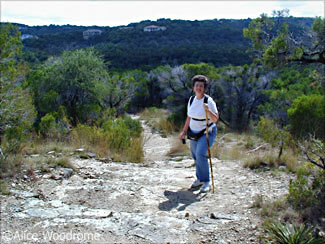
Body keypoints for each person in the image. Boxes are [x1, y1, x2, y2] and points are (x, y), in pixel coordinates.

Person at [179, 75, 219, 193]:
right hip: (193, 132)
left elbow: (215, 119)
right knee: (195, 156)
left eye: (201, 86)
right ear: (193, 87)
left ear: (204, 88)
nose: (198, 88)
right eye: (197, 85)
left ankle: (206, 182)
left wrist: (208, 110)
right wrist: (184, 132)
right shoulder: (191, 100)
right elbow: (189, 117)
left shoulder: (208, 101)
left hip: (207, 132)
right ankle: (200, 178)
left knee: (201, 154)